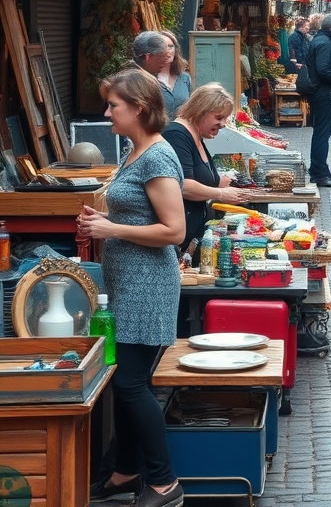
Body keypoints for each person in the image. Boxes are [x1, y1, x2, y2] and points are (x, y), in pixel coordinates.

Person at [78, 69, 186, 507]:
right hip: (129, 284)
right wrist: (103, 225)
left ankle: (164, 484)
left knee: (132, 384)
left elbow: (174, 230)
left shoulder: (157, 157)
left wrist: (111, 228)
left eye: (113, 106)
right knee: (125, 381)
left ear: (138, 108)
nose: (107, 114)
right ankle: (123, 472)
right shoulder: (136, 151)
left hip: (149, 286)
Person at [162, 83, 247, 254]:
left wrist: (222, 183)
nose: (223, 124)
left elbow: (203, 179)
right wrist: (221, 193)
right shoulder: (176, 136)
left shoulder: (196, 136)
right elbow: (183, 185)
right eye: (218, 117)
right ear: (201, 111)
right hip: (178, 239)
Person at [306, 13, 331, 188]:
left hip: (321, 93)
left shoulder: (322, 40)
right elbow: (323, 70)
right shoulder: (324, 42)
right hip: (323, 94)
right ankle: (319, 174)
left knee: (322, 134)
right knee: (322, 134)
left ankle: (321, 171)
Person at [156, 31, 192, 116]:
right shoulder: (147, 78)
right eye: (162, 47)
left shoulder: (185, 78)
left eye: (170, 46)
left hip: (179, 128)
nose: (167, 51)